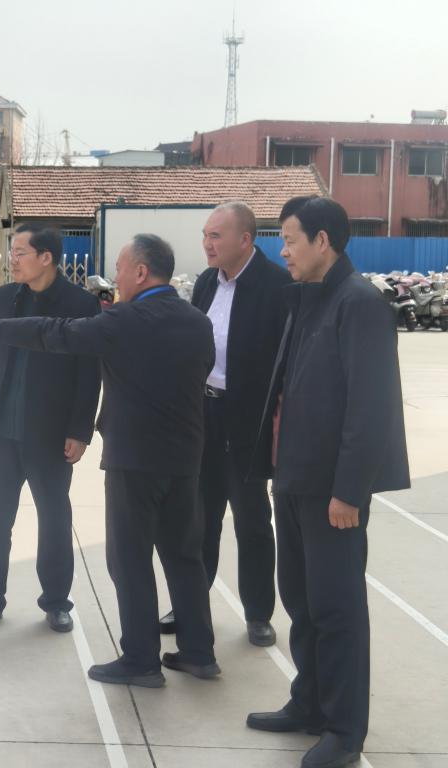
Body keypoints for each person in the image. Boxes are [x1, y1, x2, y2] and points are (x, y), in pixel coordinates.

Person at [0, 233, 219, 687]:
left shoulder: (122, 320)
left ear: (140, 272)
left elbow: (56, 334)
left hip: (135, 458)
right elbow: (203, 371)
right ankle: (199, 653)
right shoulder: (197, 322)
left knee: (130, 561)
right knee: (184, 556)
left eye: (120, 268)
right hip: (186, 457)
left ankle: (141, 661)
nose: (115, 276)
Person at [247, 197, 409, 768]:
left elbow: (371, 407)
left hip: (332, 493)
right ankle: (309, 702)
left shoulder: (359, 304)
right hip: (294, 479)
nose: (283, 251)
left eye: (290, 240)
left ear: (323, 241)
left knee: (337, 610)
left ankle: (344, 729)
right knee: (301, 600)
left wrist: (349, 491)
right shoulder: (309, 298)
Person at [0, 223, 100, 634]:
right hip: (2, 429)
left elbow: (89, 373)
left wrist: (80, 431)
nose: (12, 260)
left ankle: (56, 602)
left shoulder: (80, 304)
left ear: (46, 258)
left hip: (50, 434)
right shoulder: (5, 297)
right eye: (12, 252)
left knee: (54, 521)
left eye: (20, 252)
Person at [159, 202, 292, 647]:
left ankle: (258, 613)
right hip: (203, 415)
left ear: (245, 240)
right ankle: (190, 605)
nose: (207, 244)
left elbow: (285, 363)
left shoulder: (276, 286)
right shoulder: (205, 282)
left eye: (215, 236)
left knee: (251, 520)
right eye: (205, 235)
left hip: (247, 421)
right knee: (198, 519)